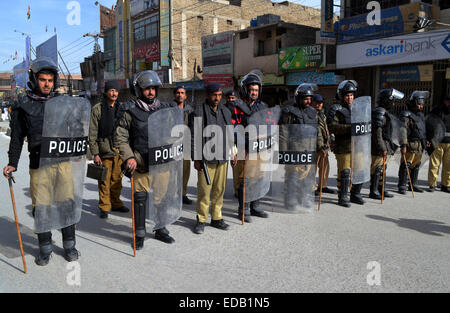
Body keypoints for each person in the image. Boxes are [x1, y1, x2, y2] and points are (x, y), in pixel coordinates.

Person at [3, 57, 83, 265]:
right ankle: (45, 248)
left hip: (62, 163)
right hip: (38, 165)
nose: (47, 84)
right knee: (42, 208)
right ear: (34, 79)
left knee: (66, 205)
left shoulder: (64, 103)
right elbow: (17, 137)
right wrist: (13, 162)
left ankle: (69, 246)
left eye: (50, 80)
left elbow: (76, 130)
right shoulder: (24, 105)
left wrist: (77, 150)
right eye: (42, 80)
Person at [115, 70, 177, 248]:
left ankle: (161, 227)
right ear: (139, 90)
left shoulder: (164, 110)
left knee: (162, 196)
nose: (150, 92)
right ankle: (139, 232)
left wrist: (172, 149)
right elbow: (121, 137)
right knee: (140, 199)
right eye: (146, 89)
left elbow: (173, 133)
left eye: (153, 88)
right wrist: (129, 157)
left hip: (160, 162)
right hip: (140, 161)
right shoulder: (130, 110)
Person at [190, 83, 235, 234]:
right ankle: (201, 219)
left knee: (219, 189)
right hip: (205, 159)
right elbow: (193, 137)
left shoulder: (226, 111)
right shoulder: (198, 112)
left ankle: (216, 218)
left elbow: (230, 134)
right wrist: (196, 158)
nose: (217, 98)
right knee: (204, 190)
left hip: (222, 157)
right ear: (208, 95)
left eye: (219, 95)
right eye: (214, 95)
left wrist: (234, 152)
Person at [232, 71, 270, 222]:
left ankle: (255, 206)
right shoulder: (237, 106)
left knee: (258, 177)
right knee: (245, 179)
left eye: (256, 90)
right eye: (251, 90)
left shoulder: (263, 107)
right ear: (245, 90)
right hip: (244, 149)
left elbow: (269, 125)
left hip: (259, 148)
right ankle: (244, 208)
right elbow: (234, 128)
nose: (254, 92)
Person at [89, 80, 129, 219]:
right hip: (104, 151)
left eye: (116, 91)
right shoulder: (97, 109)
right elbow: (92, 133)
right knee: (104, 181)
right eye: (111, 90)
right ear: (106, 92)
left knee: (117, 179)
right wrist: (95, 153)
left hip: (118, 150)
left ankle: (116, 203)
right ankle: (104, 206)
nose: (114, 93)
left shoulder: (122, 109)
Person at [279, 83, 318, 210]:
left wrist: (321, 146)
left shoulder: (313, 112)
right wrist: (283, 151)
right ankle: (290, 199)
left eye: (310, 99)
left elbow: (317, 131)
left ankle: (305, 197)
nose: (308, 101)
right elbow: (283, 132)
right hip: (294, 150)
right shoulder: (289, 111)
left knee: (307, 176)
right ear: (299, 98)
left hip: (309, 149)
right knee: (292, 177)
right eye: (305, 98)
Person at [327, 80, 365, 207]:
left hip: (358, 146)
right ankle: (342, 196)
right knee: (345, 172)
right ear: (342, 96)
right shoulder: (336, 109)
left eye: (352, 95)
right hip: (343, 146)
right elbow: (332, 126)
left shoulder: (358, 109)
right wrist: (349, 128)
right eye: (347, 95)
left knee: (359, 170)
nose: (350, 98)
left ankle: (355, 194)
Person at [369, 88, 404, 200]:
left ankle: (381, 189)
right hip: (377, 148)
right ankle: (373, 191)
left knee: (383, 168)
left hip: (384, 147)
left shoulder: (385, 113)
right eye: (391, 100)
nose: (393, 103)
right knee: (376, 169)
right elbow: (377, 134)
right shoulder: (379, 113)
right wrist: (382, 147)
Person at [398, 91, 430, 194]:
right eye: (419, 104)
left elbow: (422, 130)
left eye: (422, 104)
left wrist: (426, 141)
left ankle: (413, 184)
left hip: (419, 145)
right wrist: (403, 144)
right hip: (410, 144)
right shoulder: (406, 115)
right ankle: (402, 185)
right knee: (406, 165)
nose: (421, 106)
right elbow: (403, 131)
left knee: (416, 165)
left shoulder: (420, 116)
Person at [172, 86, 194, 205]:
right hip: (173, 145)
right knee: (173, 173)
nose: (180, 95)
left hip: (185, 145)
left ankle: (183, 194)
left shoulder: (190, 110)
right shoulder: (169, 109)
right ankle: (172, 195)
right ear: (174, 95)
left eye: (182, 93)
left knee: (185, 171)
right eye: (178, 93)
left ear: (185, 96)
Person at [312, 94, 336, 196]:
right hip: (315, 145)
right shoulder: (311, 115)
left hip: (324, 146)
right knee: (313, 168)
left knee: (325, 166)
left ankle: (323, 185)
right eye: (317, 103)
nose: (319, 105)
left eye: (320, 103)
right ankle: (312, 187)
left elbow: (325, 130)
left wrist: (328, 143)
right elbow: (316, 132)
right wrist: (321, 145)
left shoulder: (322, 115)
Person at [427, 94, 450, 193]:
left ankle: (446, 185)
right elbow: (429, 124)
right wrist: (429, 139)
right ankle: (432, 184)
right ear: (445, 101)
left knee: (448, 165)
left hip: (449, 142)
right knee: (435, 164)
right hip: (437, 141)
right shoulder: (436, 111)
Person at [224, 89, 240, 198]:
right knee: (223, 168)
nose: (231, 100)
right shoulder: (223, 109)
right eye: (229, 98)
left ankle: (237, 190)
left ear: (236, 99)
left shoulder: (240, 109)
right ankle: (220, 190)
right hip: (225, 141)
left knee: (236, 166)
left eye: (233, 98)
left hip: (238, 141)